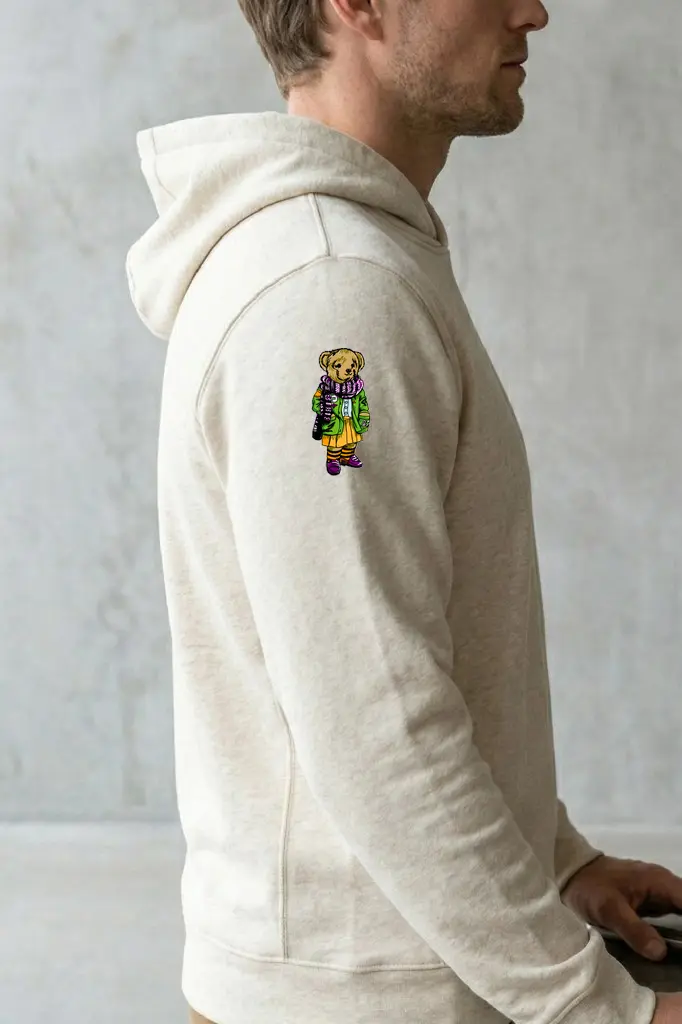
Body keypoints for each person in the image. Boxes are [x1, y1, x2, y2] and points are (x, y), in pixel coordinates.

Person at [125, 2, 682, 1023]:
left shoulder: (354, 261)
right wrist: (600, 1008)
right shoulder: (330, 299)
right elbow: (374, 719)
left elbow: (393, 655)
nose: (533, 11)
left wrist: (554, 860)